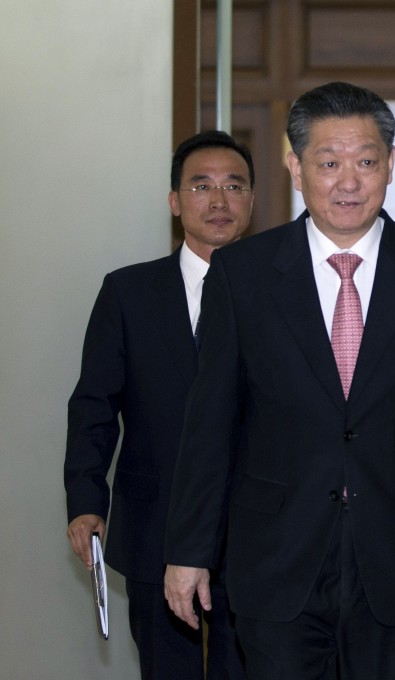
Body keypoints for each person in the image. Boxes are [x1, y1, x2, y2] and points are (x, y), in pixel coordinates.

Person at [162, 81, 395, 680]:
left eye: (367, 162)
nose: (349, 181)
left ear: (391, 165)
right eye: (328, 162)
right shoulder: (241, 276)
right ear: (295, 167)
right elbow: (210, 424)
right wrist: (188, 553)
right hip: (276, 559)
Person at [64, 130, 253, 679]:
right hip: (155, 526)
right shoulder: (128, 293)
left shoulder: (284, 294)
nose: (218, 201)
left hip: (258, 533)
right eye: (201, 186)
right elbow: (94, 405)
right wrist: (85, 500)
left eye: (233, 186)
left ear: (251, 200)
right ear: (175, 202)